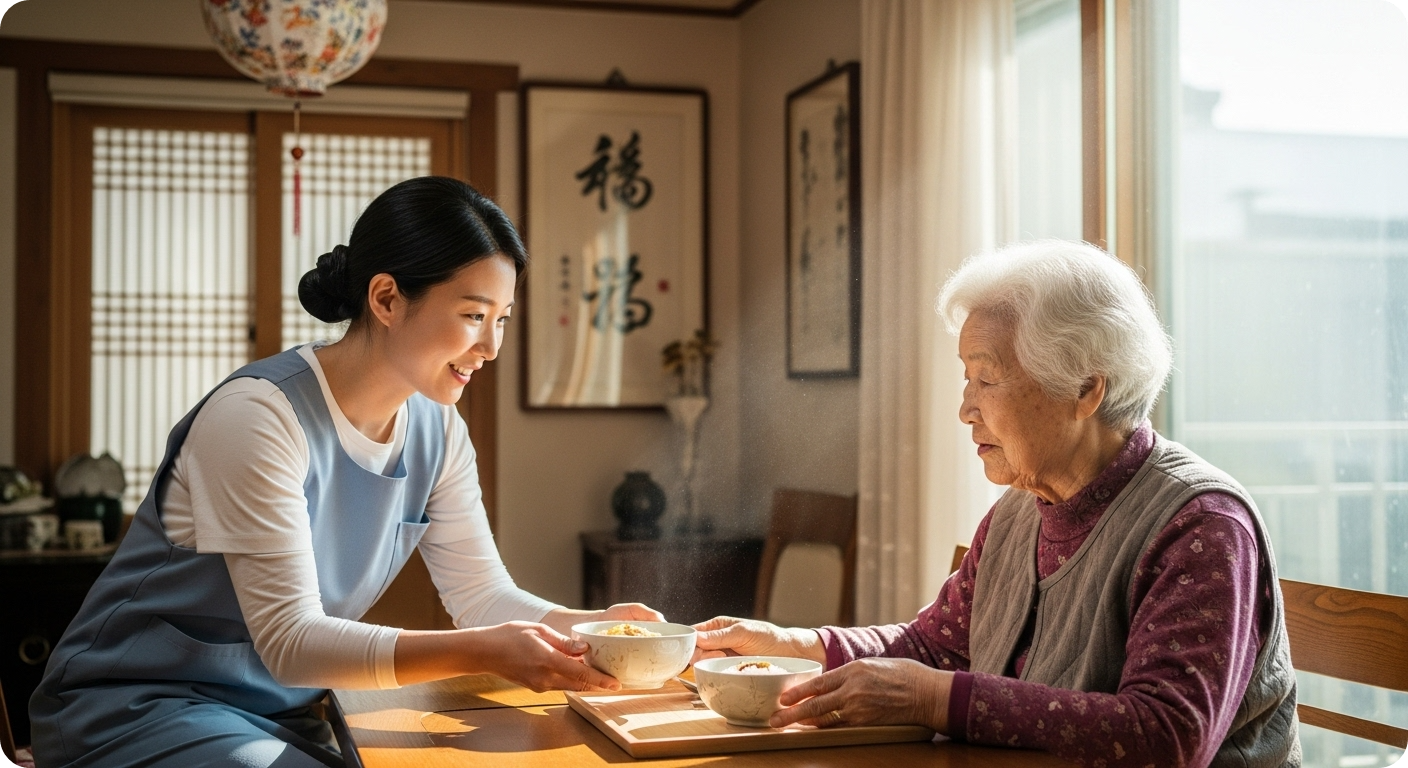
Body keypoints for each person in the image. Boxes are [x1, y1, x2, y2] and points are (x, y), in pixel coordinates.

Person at [30, 177, 660, 768]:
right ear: (386, 298)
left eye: (502, 319)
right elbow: (291, 641)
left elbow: (483, 597)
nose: (491, 347)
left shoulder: (439, 430)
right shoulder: (258, 416)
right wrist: (485, 651)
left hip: (280, 713)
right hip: (138, 705)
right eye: (473, 315)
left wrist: (604, 630)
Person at [695, 240, 1300, 768]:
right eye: (967, 378)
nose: (966, 408)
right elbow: (933, 649)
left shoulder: (1201, 525)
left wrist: (934, 699)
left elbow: (1167, 737)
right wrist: (791, 645)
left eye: (987, 379)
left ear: (1086, 388)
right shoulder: (1020, 509)